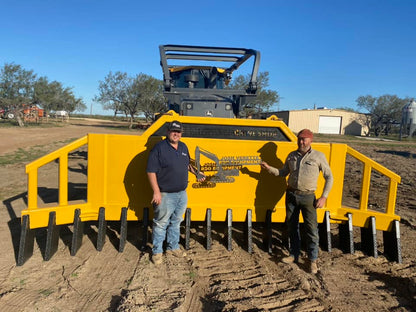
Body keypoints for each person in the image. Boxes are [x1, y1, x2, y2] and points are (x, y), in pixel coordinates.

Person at [260, 129, 333, 274]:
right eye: (299, 139)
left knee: (311, 230)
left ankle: (312, 260)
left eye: (304, 139)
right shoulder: (291, 156)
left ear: (310, 141)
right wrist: (268, 168)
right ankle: (294, 255)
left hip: (308, 197)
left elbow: (329, 177)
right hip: (291, 195)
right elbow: (282, 173)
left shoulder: (319, 156)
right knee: (292, 227)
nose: (301, 142)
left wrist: (324, 196)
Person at [146, 120, 205, 265]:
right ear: (168, 132)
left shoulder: (183, 147)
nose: (176, 134)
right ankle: (157, 252)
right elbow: (151, 171)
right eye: (173, 131)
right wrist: (156, 192)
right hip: (165, 194)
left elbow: (186, 165)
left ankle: (172, 247)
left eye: (178, 132)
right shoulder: (159, 148)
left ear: (181, 133)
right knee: (160, 224)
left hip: (181, 193)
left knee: (176, 222)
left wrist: (197, 173)